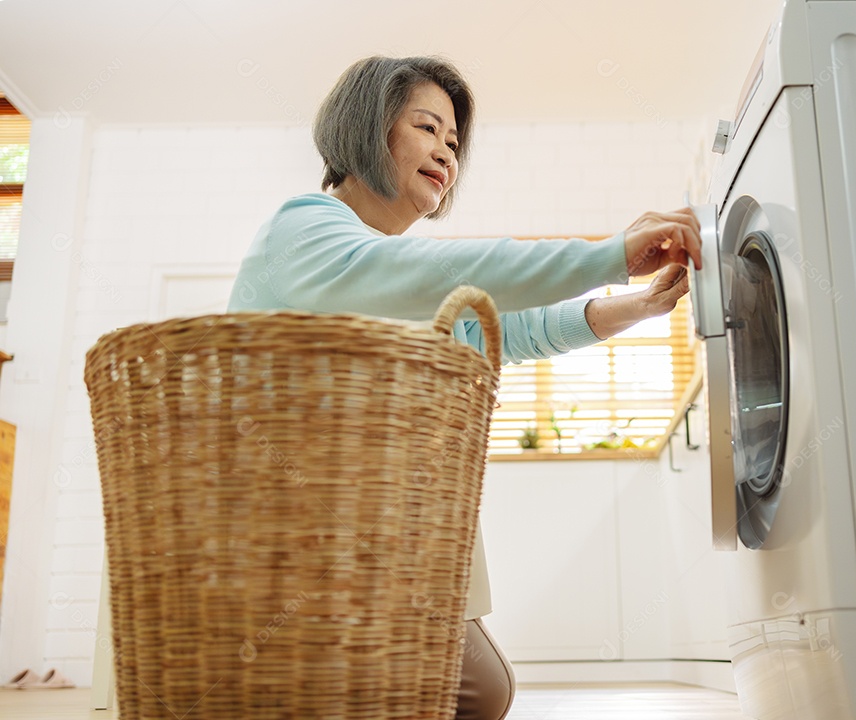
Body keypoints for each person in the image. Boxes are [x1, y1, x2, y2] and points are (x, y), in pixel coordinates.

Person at [227, 55, 702, 720]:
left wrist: (638, 306)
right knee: (477, 689)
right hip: (289, 542)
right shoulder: (306, 227)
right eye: (428, 128)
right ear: (368, 128)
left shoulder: (392, 276)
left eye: (453, 142)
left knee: (478, 687)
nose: (447, 152)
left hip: (361, 531)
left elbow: (509, 325)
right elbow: (448, 274)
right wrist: (609, 252)